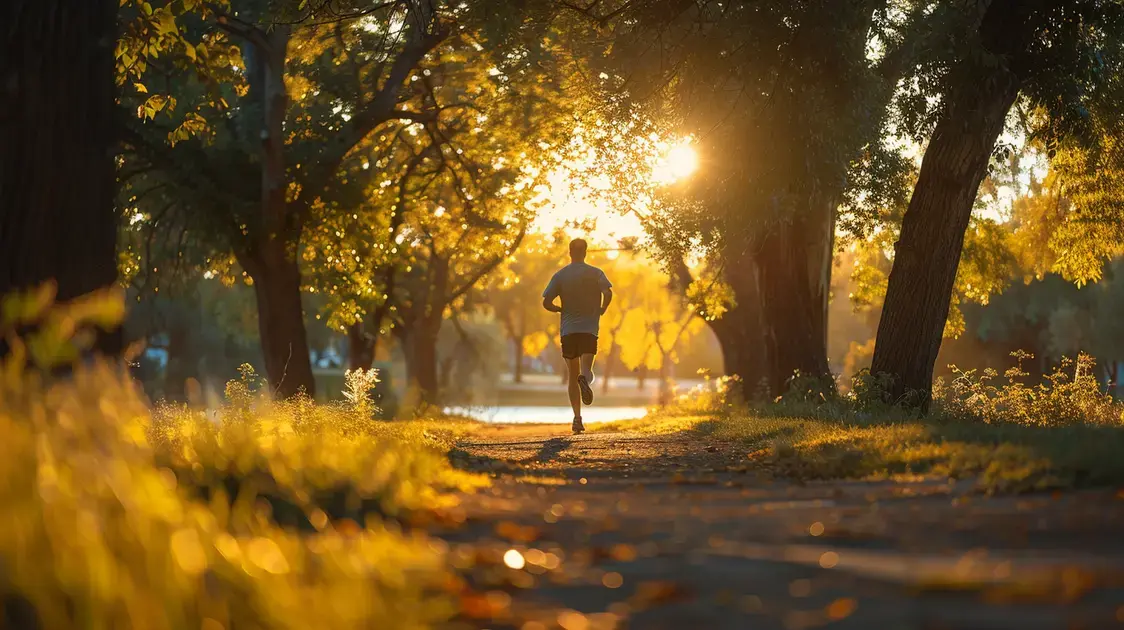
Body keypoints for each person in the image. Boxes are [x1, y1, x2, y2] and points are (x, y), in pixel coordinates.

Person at [542, 238, 613, 434]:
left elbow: (546, 301)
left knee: (571, 376)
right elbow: (607, 293)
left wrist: (558, 309)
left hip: (568, 330)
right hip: (589, 328)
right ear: (586, 252)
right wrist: (603, 308)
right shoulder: (596, 273)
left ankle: (577, 419)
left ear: (570, 252)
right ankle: (586, 380)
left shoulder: (560, 275)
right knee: (586, 371)